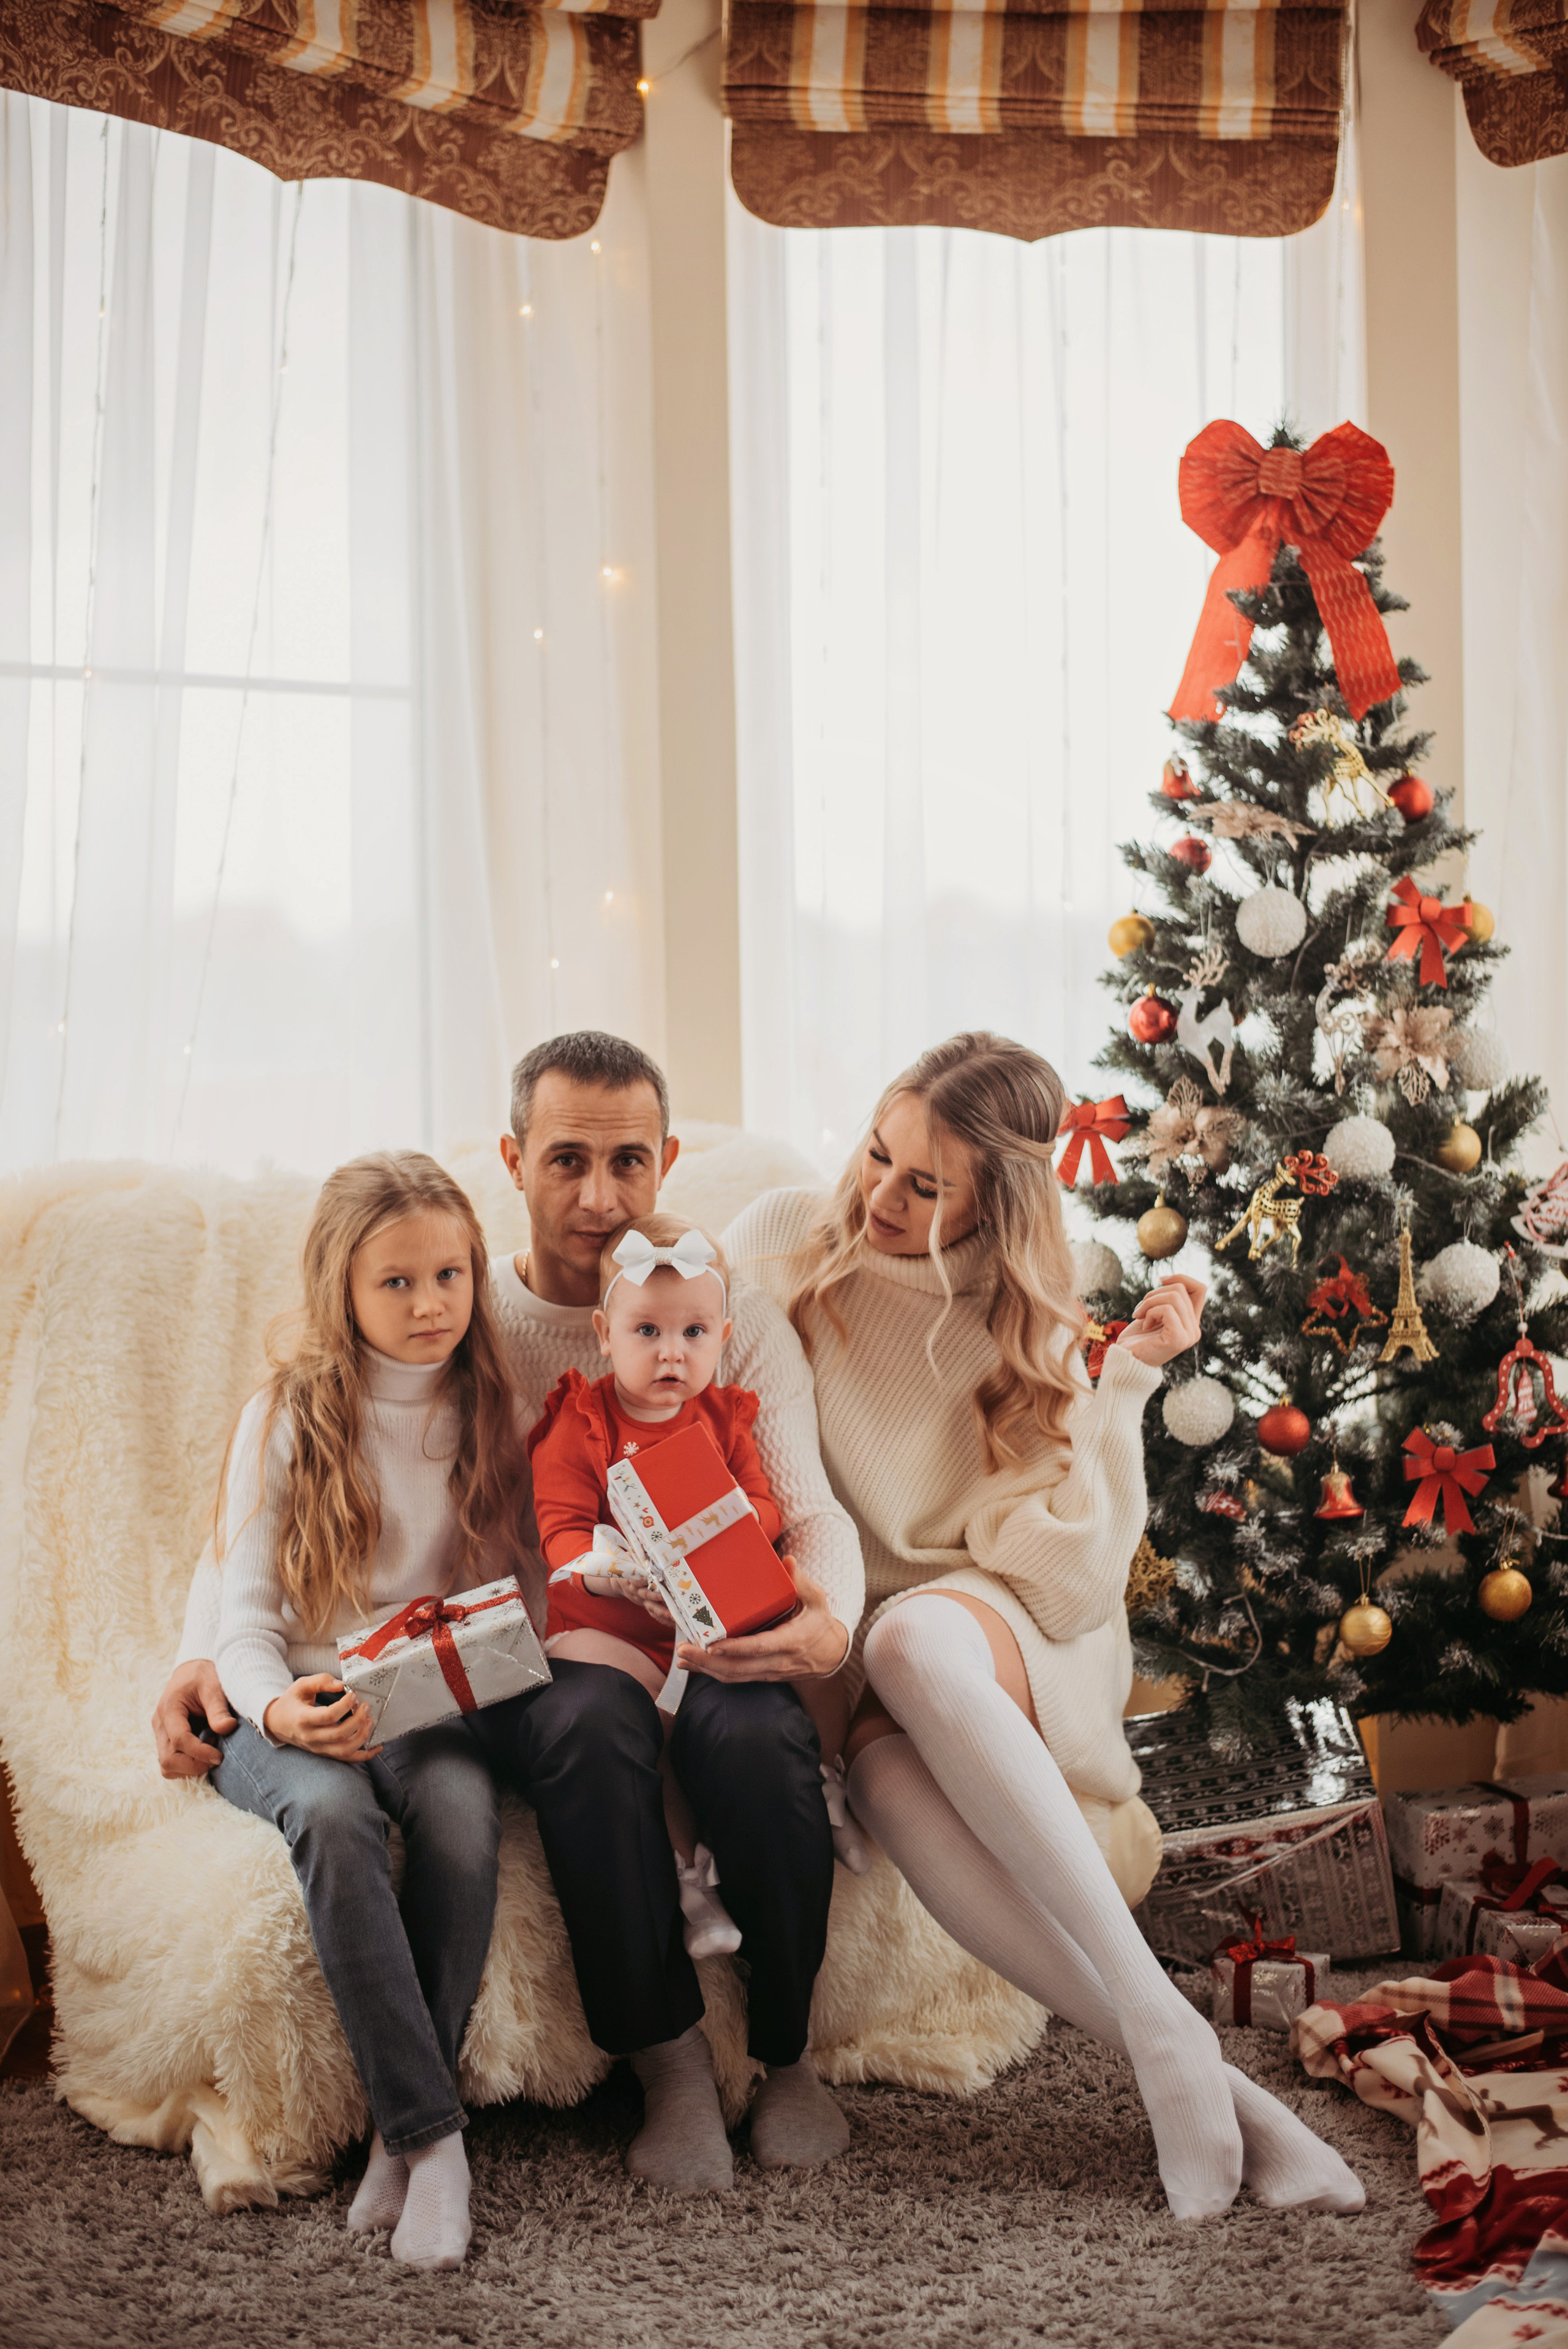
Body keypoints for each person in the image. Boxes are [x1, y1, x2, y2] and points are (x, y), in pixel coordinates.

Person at [154, 1032, 864, 2195]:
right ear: (514, 1159)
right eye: (567, 1159)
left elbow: (811, 1505)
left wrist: (829, 1627)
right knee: (583, 1720)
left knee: (760, 1732)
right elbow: (284, 1490)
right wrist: (205, 1653)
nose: (600, 1196)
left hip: (705, 1636)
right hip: (564, 1656)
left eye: (629, 1161)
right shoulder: (459, 1313)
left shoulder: (718, 1305)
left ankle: (786, 2054)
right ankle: (669, 2062)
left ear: (668, 1159)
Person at [722, 1032, 1366, 2225]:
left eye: (926, 1185)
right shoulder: (772, 1244)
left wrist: (1123, 1383)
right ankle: (1185, 2056)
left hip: (996, 1617)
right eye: (877, 1153)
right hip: (852, 1641)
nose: (880, 1194)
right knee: (890, 1781)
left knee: (913, 1640)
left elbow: (1070, 1582)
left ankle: (1162, 2032)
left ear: (995, 1205)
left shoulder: (1029, 1318)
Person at [208, 1151, 526, 2269]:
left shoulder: (490, 1408)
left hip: (420, 1699)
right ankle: (437, 2141)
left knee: (459, 1815)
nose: (431, 1302)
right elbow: (243, 1623)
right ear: (341, 1286)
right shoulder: (287, 1414)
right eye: (397, 1281)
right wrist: (279, 1712)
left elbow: (508, 1600)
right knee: (336, 1817)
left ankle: (403, 2131)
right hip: (289, 1699)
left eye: (450, 1274)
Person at [530, 1211, 867, 1959]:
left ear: (722, 1336)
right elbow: (561, 1536)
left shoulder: (722, 1417)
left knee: (807, 1660)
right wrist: (617, 1573)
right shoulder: (582, 1423)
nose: (671, 1353)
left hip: (707, 1605)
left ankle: (825, 1783)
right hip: (612, 1624)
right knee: (641, 1732)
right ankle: (688, 1880)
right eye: (646, 1331)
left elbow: (768, 1506)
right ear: (604, 1333)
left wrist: (729, 1517)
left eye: (693, 1333)